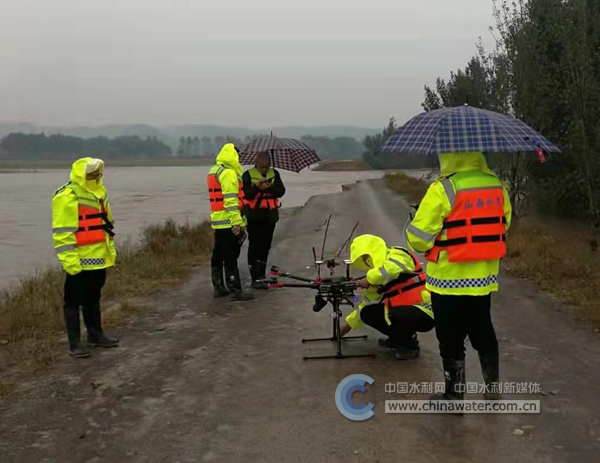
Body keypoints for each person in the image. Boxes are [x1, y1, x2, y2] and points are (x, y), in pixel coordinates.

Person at [405, 152, 512, 401]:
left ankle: (454, 396)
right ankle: (492, 389)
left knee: (450, 338)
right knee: (483, 330)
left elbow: (419, 240)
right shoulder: (496, 185)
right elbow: (503, 225)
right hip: (482, 278)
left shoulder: (443, 188)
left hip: (447, 279)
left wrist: (418, 220)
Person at [52, 158, 119, 358]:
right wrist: (70, 262)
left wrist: (110, 253)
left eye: (98, 173)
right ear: (82, 174)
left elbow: (106, 226)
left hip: (99, 258)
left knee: (93, 297)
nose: (96, 176)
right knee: (72, 302)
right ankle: (74, 344)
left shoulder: (99, 192)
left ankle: (95, 335)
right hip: (79, 260)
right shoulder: (67, 195)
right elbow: (63, 233)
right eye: (92, 173)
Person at [339, 234, 434, 360]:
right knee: (367, 312)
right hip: (406, 309)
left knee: (394, 314)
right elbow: (366, 303)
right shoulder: (379, 277)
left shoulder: (396, 254)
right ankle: (398, 339)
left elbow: (392, 269)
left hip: (426, 310)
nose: (367, 262)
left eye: (366, 257)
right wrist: (348, 325)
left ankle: (409, 346)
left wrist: (368, 279)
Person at [207, 143, 254, 301]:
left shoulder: (214, 171)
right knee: (230, 257)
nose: (239, 159)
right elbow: (231, 201)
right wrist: (237, 223)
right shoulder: (228, 173)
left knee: (218, 255)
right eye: (238, 156)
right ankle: (235, 290)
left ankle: (219, 287)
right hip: (229, 221)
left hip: (218, 221)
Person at [242, 152, 286, 289]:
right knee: (255, 246)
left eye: (267, 166)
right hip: (254, 216)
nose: (264, 168)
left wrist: (270, 187)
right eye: (262, 166)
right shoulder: (247, 175)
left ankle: (261, 275)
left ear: (270, 163)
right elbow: (246, 194)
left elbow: (281, 191)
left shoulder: (275, 174)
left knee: (265, 247)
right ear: (256, 162)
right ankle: (255, 278)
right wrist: (257, 187)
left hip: (269, 217)